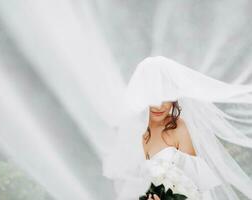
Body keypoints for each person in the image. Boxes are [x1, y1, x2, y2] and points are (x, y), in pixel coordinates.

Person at [102, 56, 252, 200]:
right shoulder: (135, 132)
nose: (158, 106)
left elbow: (197, 184)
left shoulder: (177, 129)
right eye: (152, 98)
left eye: (165, 98)